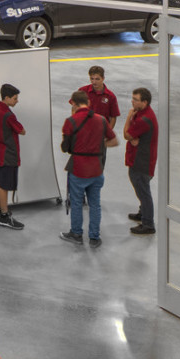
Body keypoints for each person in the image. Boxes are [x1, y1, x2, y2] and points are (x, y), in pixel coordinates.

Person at [59, 89, 117, 247]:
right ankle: (94, 237)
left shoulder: (70, 121)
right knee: (95, 204)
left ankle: (76, 233)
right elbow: (114, 141)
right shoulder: (101, 120)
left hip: (78, 169)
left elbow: (65, 147)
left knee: (77, 203)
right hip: (96, 169)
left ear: (75, 104)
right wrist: (98, 145)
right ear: (89, 102)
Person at [0, 83, 25, 229]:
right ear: (7, 98)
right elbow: (21, 130)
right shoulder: (9, 115)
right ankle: (4, 215)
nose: (17, 101)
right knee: (5, 185)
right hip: (8, 154)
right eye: (15, 98)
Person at [123, 86, 158, 235]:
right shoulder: (143, 113)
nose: (132, 102)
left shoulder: (143, 119)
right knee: (140, 188)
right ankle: (143, 213)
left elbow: (126, 134)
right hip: (139, 158)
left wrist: (128, 117)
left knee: (143, 191)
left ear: (144, 102)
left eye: (135, 100)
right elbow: (131, 137)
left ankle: (148, 224)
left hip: (141, 161)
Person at [81, 65, 120, 130]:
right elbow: (74, 108)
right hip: (84, 130)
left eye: (97, 79)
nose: (94, 82)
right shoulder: (83, 91)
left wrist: (108, 133)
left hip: (100, 131)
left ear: (103, 78)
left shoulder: (110, 96)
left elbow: (113, 117)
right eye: (92, 78)